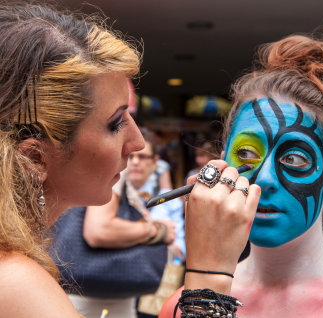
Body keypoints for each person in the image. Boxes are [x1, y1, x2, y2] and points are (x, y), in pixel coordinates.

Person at [0, 3, 257, 317]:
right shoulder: (15, 282)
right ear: (34, 158)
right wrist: (210, 274)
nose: (137, 143)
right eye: (116, 123)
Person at [160, 31, 323, 317]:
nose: (265, 178)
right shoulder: (183, 305)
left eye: (295, 158)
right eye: (246, 154)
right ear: (222, 166)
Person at [68, 127, 184, 318]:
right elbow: (99, 230)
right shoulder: (117, 176)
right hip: (93, 296)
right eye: (130, 156)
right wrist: (157, 230)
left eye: (143, 157)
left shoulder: (125, 184)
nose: (135, 162)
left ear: (155, 162)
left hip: (111, 294)